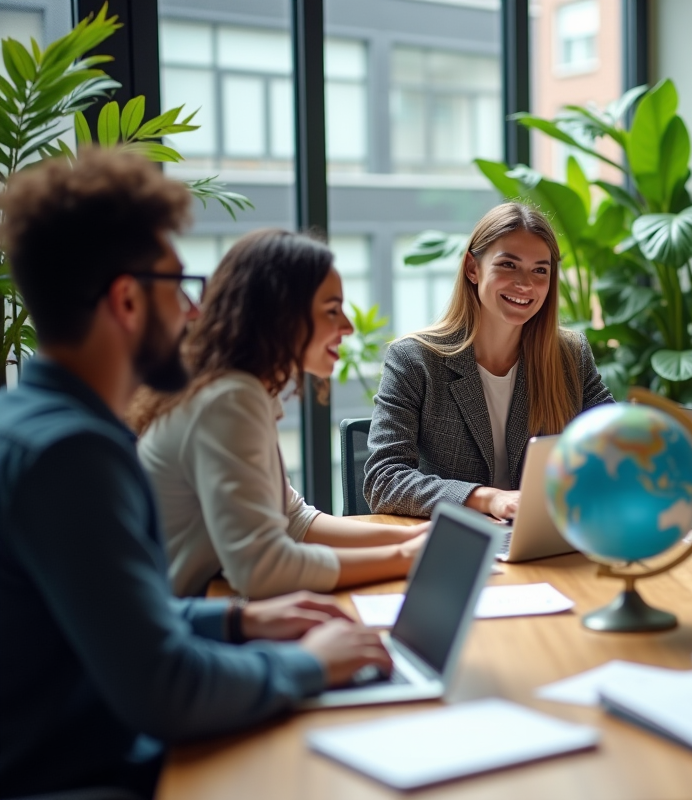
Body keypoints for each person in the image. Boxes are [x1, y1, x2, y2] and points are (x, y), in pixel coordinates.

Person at [0, 150, 393, 799]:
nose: (191, 311)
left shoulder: (37, 424)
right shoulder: (72, 457)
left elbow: (117, 621)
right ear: (127, 300)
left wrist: (237, 624)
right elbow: (167, 689)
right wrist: (305, 664)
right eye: (178, 286)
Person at [135, 229, 428, 599]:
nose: (348, 327)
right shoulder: (229, 400)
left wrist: (413, 538)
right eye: (331, 310)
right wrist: (406, 557)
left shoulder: (237, 389)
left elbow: (293, 519)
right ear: (281, 316)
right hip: (172, 629)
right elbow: (262, 570)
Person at [365, 202, 611, 519]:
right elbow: (383, 481)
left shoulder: (569, 355)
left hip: (546, 538)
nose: (525, 284)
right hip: (458, 542)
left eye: (540, 270)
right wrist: (488, 499)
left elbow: (613, 439)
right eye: (508, 265)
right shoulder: (415, 360)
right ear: (472, 268)